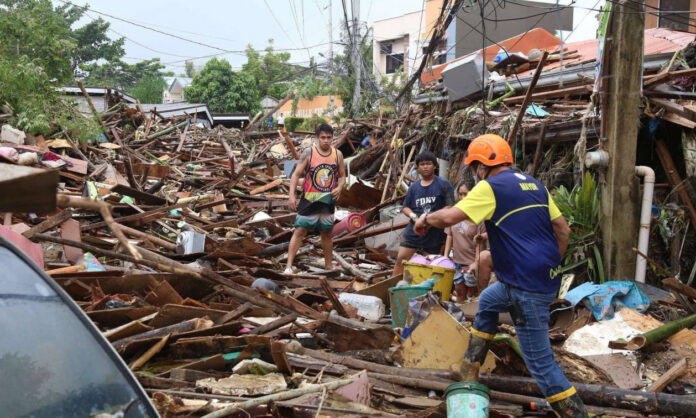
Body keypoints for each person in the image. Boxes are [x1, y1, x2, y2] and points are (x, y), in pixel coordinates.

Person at [413, 134, 587, 418]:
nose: (475, 173)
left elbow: (449, 217)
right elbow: (563, 230)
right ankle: (469, 368)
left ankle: (577, 415)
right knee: (489, 301)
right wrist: (549, 263)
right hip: (538, 278)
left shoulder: (490, 187)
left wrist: (424, 218)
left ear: (482, 166)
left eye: (474, 167)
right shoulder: (535, 184)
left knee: (540, 363)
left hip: (525, 287)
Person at [285, 123, 346, 273]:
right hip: (309, 199)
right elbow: (295, 175)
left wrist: (339, 187)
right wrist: (291, 196)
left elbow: (342, 176)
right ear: (317, 137)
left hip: (327, 200)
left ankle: (328, 266)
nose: (326, 140)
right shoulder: (309, 153)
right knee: (300, 230)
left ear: (333, 138)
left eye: (329, 138)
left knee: (326, 233)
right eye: (323, 137)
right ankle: (288, 266)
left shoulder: (337, 155)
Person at [392, 151, 454, 277]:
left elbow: (450, 206)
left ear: (435, 166)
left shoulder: (444, 184)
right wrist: (414, 217)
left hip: (435, 232)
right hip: (414, 230)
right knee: (401, 259)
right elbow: (405, 207)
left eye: (428, 164)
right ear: (418, 167)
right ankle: (395, 285)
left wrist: (431, 219)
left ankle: (427, 288)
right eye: (422, 164)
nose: (425, 167)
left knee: (432, 265)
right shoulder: (414, 187)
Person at [443, 182, 487, 300]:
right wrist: (446, 257)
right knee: (459, 292)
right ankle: (460, 311)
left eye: (466, 194)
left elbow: (480, 242)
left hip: (472, 262)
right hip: (456, 261)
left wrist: (476, 263)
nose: (463, 197)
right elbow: (449, 236)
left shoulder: (479, 216)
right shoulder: (454, 213)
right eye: (460, 194)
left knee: (474, 294)